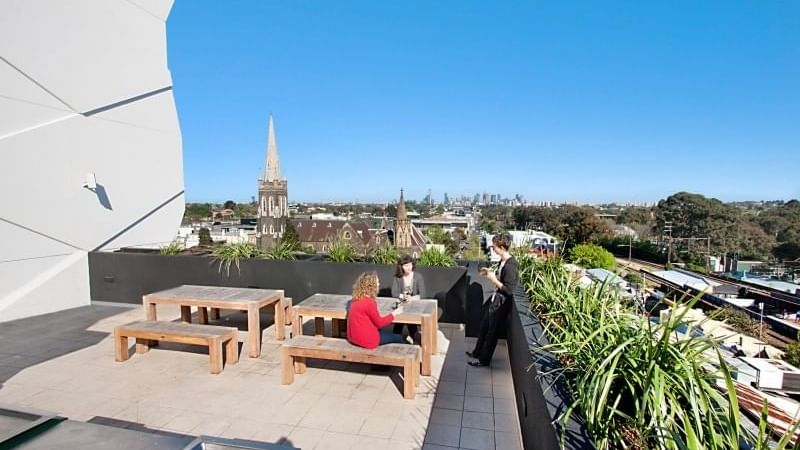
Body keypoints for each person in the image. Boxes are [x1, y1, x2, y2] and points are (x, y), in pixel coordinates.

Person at [467, 233, 518, 367]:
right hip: (496, 300)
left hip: (501, 304)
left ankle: (484, 360)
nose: (493, 249)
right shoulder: (503, 262)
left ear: (501, 247)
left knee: (492, 332)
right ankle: (477, 352)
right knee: (484, 327)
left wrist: (493, 280)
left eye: (494, 247)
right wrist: (491, 273)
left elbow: (509, 290)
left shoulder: (511, 266)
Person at [347, 271, 405, 349]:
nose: (379, 284)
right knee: (398, 337)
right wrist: (394, 313)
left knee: (385, 332)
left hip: (353, 338)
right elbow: (380, 323)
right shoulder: (369, 302)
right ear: (371, 286)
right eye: (377, 282)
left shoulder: (355, 299)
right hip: (368, 341)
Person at [391, 255, 426, 342]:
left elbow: (423, 294)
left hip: (415, 305)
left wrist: (412, 298)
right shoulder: (398, 277)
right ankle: (397, 338)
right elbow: (394, 293)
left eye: (410, 265)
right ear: (401, 266)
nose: (409, 267)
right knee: (399, 322)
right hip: (402, 304)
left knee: (411, 322)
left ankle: (413, 337)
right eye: (406, 265)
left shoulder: (418, 277)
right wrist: (403, 296)